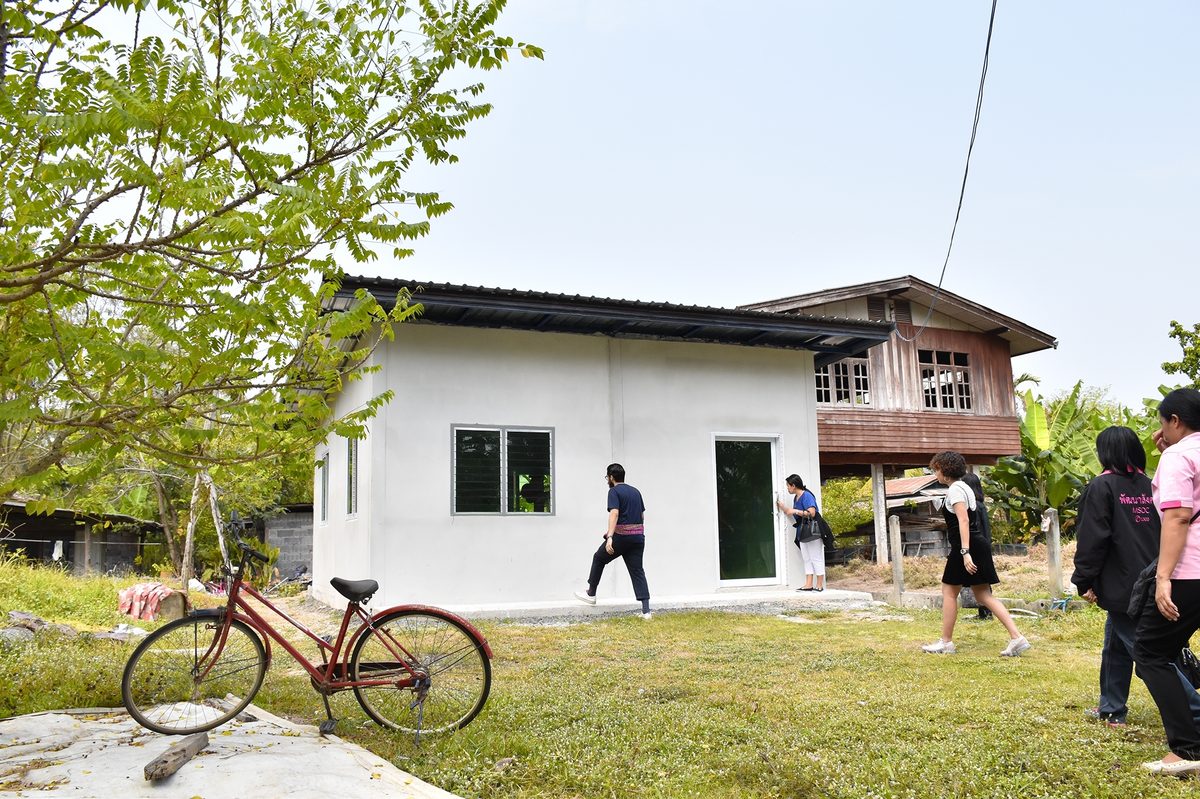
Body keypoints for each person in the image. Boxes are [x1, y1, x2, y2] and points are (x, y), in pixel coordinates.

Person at [1071, 426, 1162, 728]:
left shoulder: (1102, 487)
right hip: (1154, 580)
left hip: (1124, 587)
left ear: (1103, 453)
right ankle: (1112, 709)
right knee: (1115, 647)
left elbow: (1092, 540)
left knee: (1152, 656)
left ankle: (1192, 711)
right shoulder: (1150, 485)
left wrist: (1083, 581)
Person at [1134, 388, 1200, 775]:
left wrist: (1163, 579)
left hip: (1190, 570)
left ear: (1174, 420)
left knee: (1150, 653)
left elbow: (1176, 517)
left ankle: (1188, 749)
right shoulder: (1180, 455)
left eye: (1162, 422)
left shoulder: (1179, 456)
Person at [921, 450, 1030, 656]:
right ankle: (1017, 638)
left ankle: (946, 642)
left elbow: (963, 520)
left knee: (949, 592)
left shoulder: (955, 490)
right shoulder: (965, 487)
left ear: (944, 471)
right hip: (977, 544)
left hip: (967, 546)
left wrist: (964, 552)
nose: (935, 474)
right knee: (982, 594)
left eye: (936, 470)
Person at [574, 463, 652, 619]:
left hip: (621, 538)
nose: (607, 480)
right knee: (637, 571)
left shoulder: (614, 492)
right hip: (638, 537)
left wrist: (610, 537)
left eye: (607, 477)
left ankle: (591, 593)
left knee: (599, 558)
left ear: (611, 477)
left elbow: (614, 514)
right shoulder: (636, 492)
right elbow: (642, 516)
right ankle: (646, 611)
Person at [776, 474, 824, 591]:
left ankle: (819, 585)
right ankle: (808, 584)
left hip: (812, 532)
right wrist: (785, 508)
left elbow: (811, 513)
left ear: (794, 485)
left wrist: (794, 511)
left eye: (788, 486)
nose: (787, 488)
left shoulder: (806, 495)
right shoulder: (796, 498)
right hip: (803, 532)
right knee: (806, 558)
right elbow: (793, 512)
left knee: (815, 557)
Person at [961, 472, 993, 620]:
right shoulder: (981, 506)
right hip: (985, 544)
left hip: (976, 546)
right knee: (982, 580)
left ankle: (986, 612)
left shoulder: (974, 507)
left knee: (980, 581)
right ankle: (984, 612)